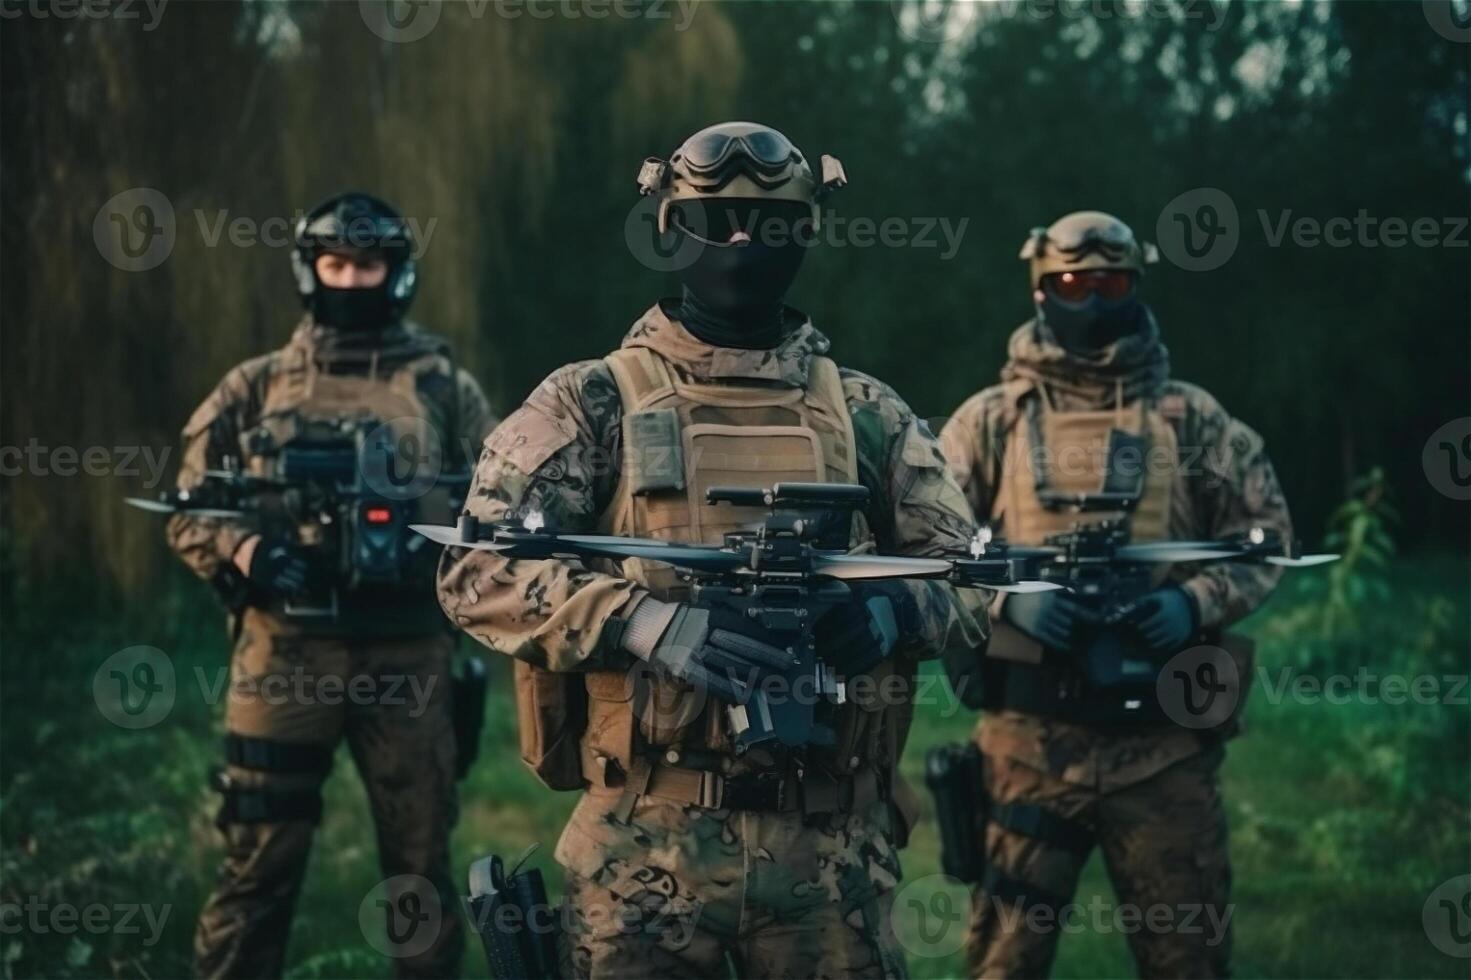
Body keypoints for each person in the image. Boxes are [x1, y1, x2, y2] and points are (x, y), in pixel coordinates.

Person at [437, 121, 985, 979]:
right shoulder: (590, 401)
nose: (739, 241)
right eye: (716, 217)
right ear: (669, 227)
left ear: (804, 233)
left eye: (768, 225)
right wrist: (643, 622)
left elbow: (974, 576)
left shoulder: (866, 412)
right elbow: (476, 571)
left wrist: (893, 610)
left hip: (830, 855)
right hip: (640, 851)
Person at [938, 211, 1292, 979]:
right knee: (1004, 961)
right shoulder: (990, 422)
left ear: (1135, 287)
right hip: (1026, 747)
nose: (1090, 299)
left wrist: (1190, 603)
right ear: (1041, 290)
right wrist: (1008, 601)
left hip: (1162, 753)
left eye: (1110, 283)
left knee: (1188, 959)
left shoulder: (1192, 421)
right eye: (1070, 283)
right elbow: (928, 547)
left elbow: (1266, 540)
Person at [167, 192, 496, 978]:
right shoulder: (255, 387)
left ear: (398, 273)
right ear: (309, 271)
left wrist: (439, 547)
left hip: (409, 658)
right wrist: (245, 553)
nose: (351, 279)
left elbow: (505, 514)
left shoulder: (446, 389)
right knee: (256, 864)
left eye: (369, 264)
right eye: (335, 263)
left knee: (419, 866)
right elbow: (186, 509)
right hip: (284, 656)